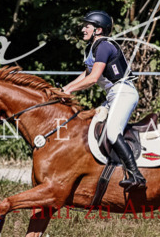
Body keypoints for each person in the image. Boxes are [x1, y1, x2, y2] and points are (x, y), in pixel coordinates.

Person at [61, 10, 146, 190]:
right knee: (91, 124)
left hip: (124, 93)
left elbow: (93, 78)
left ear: (98, 30)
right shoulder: (91, 48)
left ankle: (136, 175)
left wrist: (68, 90)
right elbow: (86, 73)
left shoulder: (105, 46)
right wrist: (63, 90)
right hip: (113, 95)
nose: (83, 29)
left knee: (113, 131)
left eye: (87, 26)